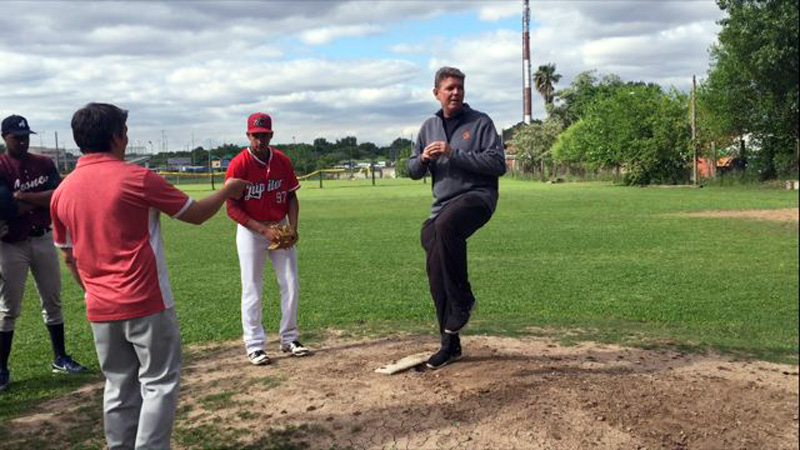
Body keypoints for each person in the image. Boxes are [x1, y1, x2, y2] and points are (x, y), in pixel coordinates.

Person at [50, 103, 249, 449]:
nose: (127, 138)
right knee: (158, 383)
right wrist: (228, 190)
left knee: (118, 385)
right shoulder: (137, 178)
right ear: (116, 136)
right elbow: (197, 213)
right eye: (124, 132)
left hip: (99, 307)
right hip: (146, 301)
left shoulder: (63, 191)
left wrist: (94, 291)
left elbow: (69, 257)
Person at [407, 67, 506, 370]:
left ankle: (463, 301)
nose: (456, 92)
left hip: (477, 197)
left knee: (446, 226)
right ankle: (450, 344)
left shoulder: (480, 122)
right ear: (436, 92)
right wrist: (423, 159)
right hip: (443, 206)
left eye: (460, 88)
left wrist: (452, 152)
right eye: (449, 88)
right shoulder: (428, 126)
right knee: (434, 259)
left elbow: (497, 163)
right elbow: (411, 171)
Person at [1, 114, 86, 392]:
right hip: (10, 244)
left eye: (26, 136)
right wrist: (38, 201)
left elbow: (57, 196)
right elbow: (6, 209)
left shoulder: (44, 162)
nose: (23, 141)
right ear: (5, 138)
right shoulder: (1, 166)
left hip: (42, 238)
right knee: (8, 308)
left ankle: (60, 357)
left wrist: (24, 198)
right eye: (17, 137)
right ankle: (1, 369)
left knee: (53, 299)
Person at [225, 112, 309, 365]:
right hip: (252, 232)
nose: (259, 140)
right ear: (248, 135)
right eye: (255, 135)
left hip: (280, 228)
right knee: (252, 287)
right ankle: (254, 345)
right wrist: (263, 230)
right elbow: (232, 207)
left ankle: (290, 338)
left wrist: (292, 227)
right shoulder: (239, 164)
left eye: (264, 135)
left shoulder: (282, 160)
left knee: (291, 283)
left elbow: (292, 196)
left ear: (271, 135)